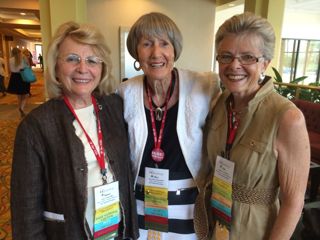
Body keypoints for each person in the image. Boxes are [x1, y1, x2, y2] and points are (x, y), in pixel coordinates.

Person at [11, 21, 139, 240]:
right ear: (56, 67)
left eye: (92, 60)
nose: (83, 68)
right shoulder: (36, 126)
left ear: (102, 67)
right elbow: (26, 210)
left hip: (116, 231)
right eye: (72, 59)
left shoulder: (114, 107)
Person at [202, 12, 310, 239]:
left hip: (256, 230)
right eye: (226, 56)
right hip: (215, 222)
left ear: (265, 63)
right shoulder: (219, 103)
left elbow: (293, 202)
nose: (234, 65)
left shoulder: (287, 118)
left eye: (248, 57)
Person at [117, 12, 220, 239]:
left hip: (189, 206)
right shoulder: (125, 93)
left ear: (175, 50)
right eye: (146, 44)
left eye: (164, 43)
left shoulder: (204, 87)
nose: (156, 53)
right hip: (141, 204)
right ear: (136, 51)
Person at [6, 47, 30, 117]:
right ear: (19, 52)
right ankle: (21, 108)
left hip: (14, 77)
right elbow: (28, 67)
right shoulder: (23, 58)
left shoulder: (10, 60)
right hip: (23, 76)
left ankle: (20, 108)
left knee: (19, 95)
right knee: (26, 94)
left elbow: (10, 69)